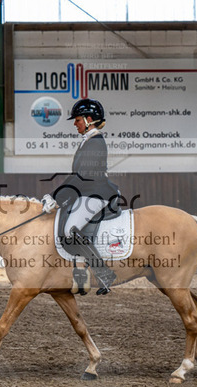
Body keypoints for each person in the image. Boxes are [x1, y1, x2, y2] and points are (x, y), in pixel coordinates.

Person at [44, 98, 119, 295]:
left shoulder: (95, 143)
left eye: (77, 120)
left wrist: (56, 197)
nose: (75, 124)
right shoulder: (88, 141)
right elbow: (76, 176)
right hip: (87, 192)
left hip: (96, 193)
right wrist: (56, 196)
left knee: (71, 229)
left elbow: (82, 176)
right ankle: (80, 277)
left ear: (89, 120)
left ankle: (104, 273)